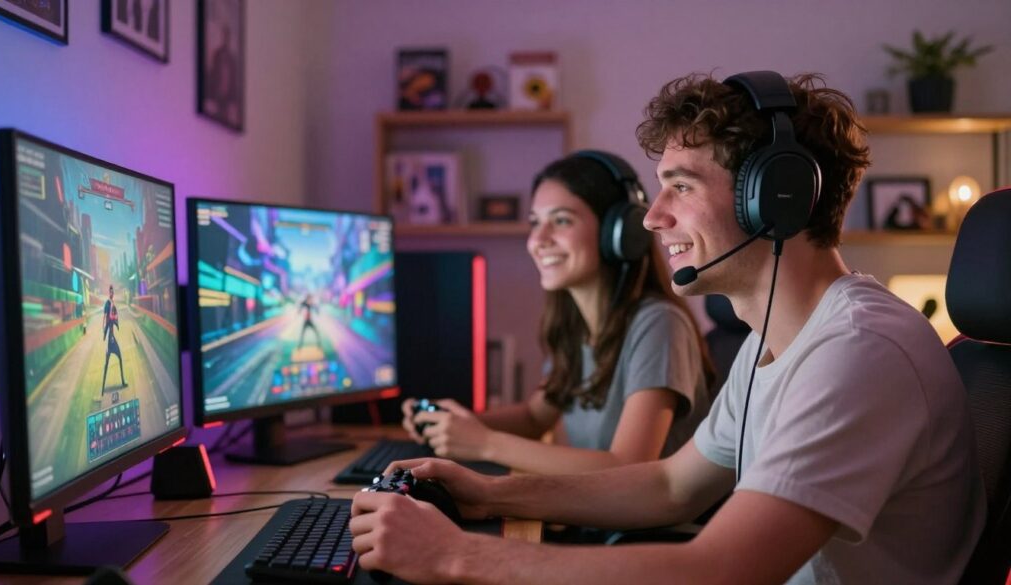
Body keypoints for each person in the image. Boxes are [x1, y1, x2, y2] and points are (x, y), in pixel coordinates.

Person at [350, 72, 986, 585]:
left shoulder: (858, 351)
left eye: (681, 187)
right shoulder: (772, 343)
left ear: (776, 198)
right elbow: (671, 485)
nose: (653, 218)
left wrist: (455, 555)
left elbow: (723, 570)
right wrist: (489, 496)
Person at [401, 151, 715, 476]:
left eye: (562, 221)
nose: (538, 240)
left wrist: (485, 443)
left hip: (638, 512)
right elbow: (534, 418)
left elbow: (628, 466)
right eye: (535, 222)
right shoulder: (577, 327)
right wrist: (451, 425)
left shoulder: (659, 324)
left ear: (619, 233)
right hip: (589, 507)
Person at [101, 284, 127, 393]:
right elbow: (105, 319)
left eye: (113, 292)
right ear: (109, 293)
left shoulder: (112, 303)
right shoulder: (108, 304)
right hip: (110, 339)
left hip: (111, 337)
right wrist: (104, 331)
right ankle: (106, 387)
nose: (112, 293)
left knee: (113, 361)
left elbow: (114, 318)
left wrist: (115, 320)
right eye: (110, 292)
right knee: (109, 362)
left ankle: (120, 382)